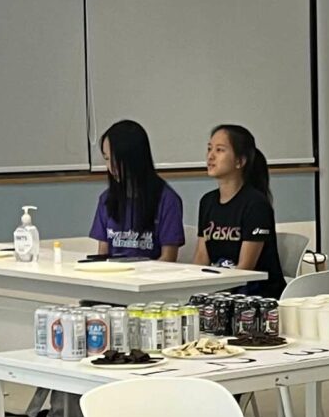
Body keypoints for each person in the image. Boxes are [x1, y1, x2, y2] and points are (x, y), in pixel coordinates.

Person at [195, 123, 284, 297]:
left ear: (239, 161)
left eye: (220, 150)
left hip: (254, 297)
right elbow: (200, 259)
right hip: (219, 292)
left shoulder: (256, 204)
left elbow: (244, 269)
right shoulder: (207, 202)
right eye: (209, 149)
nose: (210, 156)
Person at [91, 118, 185, 263]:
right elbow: (103, 253)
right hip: (115, 280)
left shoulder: (167, 200)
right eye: (107, 158)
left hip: (150, 280)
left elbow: (169, 258)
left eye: (116, 158)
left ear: (134, 157)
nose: (111, 166)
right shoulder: (106, 199)